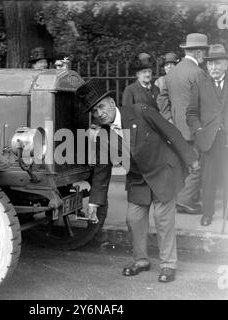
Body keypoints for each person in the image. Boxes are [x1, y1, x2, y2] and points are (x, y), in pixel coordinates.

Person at [76, 78, 199, 283]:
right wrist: (94, 202)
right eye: (94, 112)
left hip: (163, 172)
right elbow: (101, 171)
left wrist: (191, 158)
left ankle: (168, 264)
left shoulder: (140, 110)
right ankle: (141, 261)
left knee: (163, 218)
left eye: (101, 107)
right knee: (134, 219)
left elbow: (171, 132)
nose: (100, 113)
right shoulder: (103, 137)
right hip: (138, 179)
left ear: (112, 103)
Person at [157, 33, 209, 215]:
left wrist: (169, 119)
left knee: (182, 165)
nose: (205, 55)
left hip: (176, 130)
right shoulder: (198, 73)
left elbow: (162, 98)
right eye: (203, 51)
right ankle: (186, 201)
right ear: (197, 52)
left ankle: (183, 198)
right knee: (196, 165)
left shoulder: (173, 73)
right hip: (195, 130)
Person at [186, 44, 228, 226]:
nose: (213, 68)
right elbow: (191, 113)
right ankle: (208, 213)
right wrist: (199, 130)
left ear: (226, 64)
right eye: (210, 64)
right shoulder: (200, 85)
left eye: (217, 63)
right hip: (209, 140)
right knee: (208, 178)